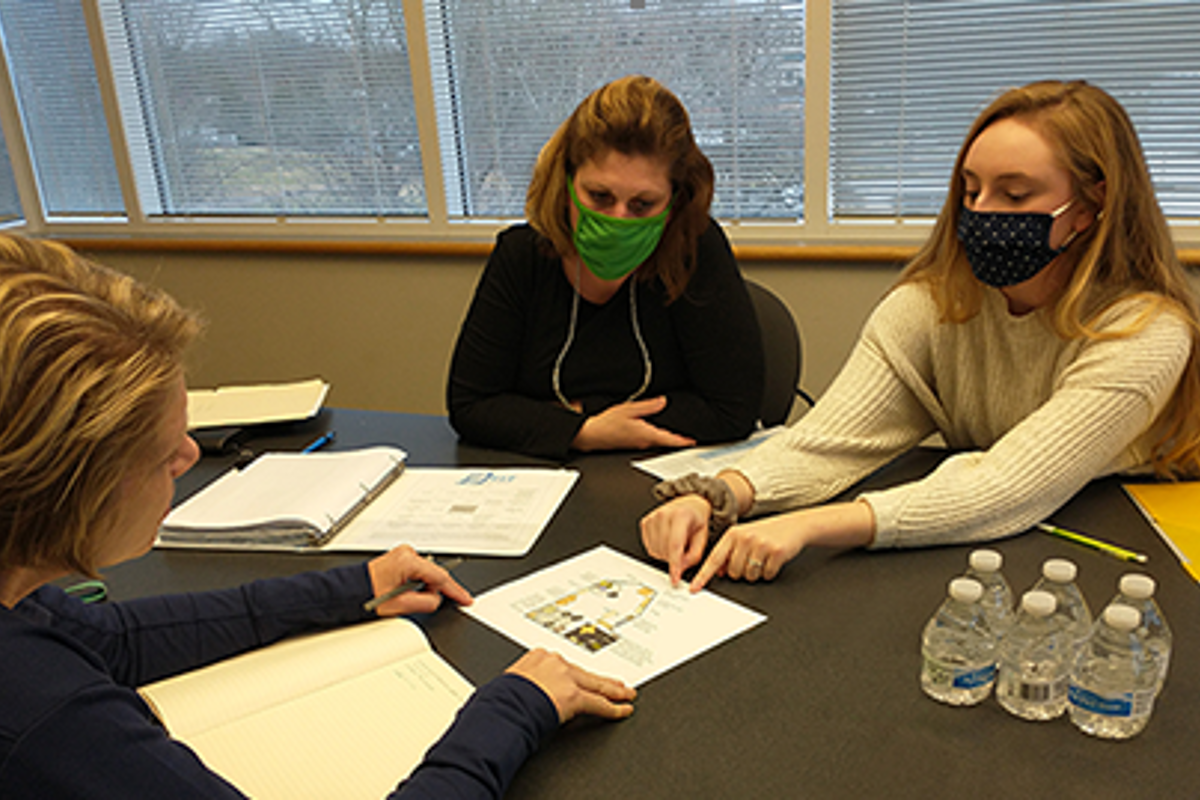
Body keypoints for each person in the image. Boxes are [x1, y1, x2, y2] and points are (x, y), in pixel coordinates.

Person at [0, 234, 635, 799]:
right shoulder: (45, 717)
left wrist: (353, 587)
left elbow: (109, 640)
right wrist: (513, 710)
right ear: (66, 481)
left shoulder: (16, 596)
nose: (193, 456)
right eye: (164, 450)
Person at [641, 80, 1200, 591]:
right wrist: (716, 495)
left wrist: (809, 527)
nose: (980, 213)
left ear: (1090, 205)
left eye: (1014, 195)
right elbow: (829, 442)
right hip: (993, 532)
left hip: (1130, 536)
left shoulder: (1146, 331)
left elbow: (1010, 483)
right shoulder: (931, 306)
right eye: (971, 189)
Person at [447, 75, 765, 461]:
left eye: (642, 204)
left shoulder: (693, 247)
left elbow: (733, 411)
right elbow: (470, 404)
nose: (618, 218)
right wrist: (586, 433)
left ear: (674, 203)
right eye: (599, 197)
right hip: (541, 481)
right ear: (565, 183)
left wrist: (580, 414)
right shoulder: (522, 255)